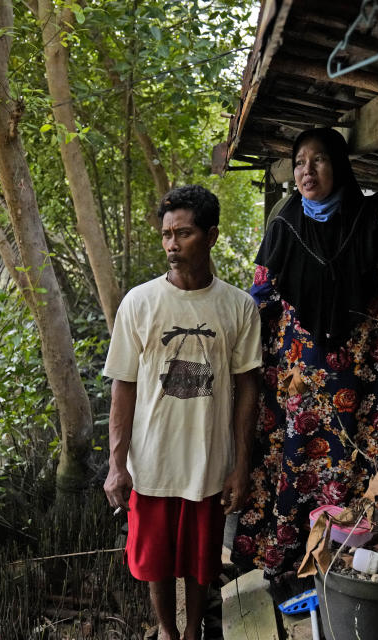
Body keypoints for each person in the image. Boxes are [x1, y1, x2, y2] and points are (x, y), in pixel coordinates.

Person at [231, 128, 378, 583]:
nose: (306, 171)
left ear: (338, 165)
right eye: (300, 162)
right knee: (295, 461)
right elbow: (260, 295)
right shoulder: (284, 225)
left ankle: (349, 565)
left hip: (362, 371)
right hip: (301, 377)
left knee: (359, 461)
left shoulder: (367, 214)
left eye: (318, 160)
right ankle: (287, 562)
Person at [103, 184, 262, 640]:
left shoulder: (237, 306)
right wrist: (117, 465)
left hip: (209, 461)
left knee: (201, 559)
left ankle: (193, 631)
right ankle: (167, 632)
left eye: (184, 233)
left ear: (211, 236)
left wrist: (241, 463)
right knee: (154, 560)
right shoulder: (140, 302)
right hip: (151, 461)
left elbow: (248, 386)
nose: (172, 244)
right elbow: (123, 386)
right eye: (167, 234)